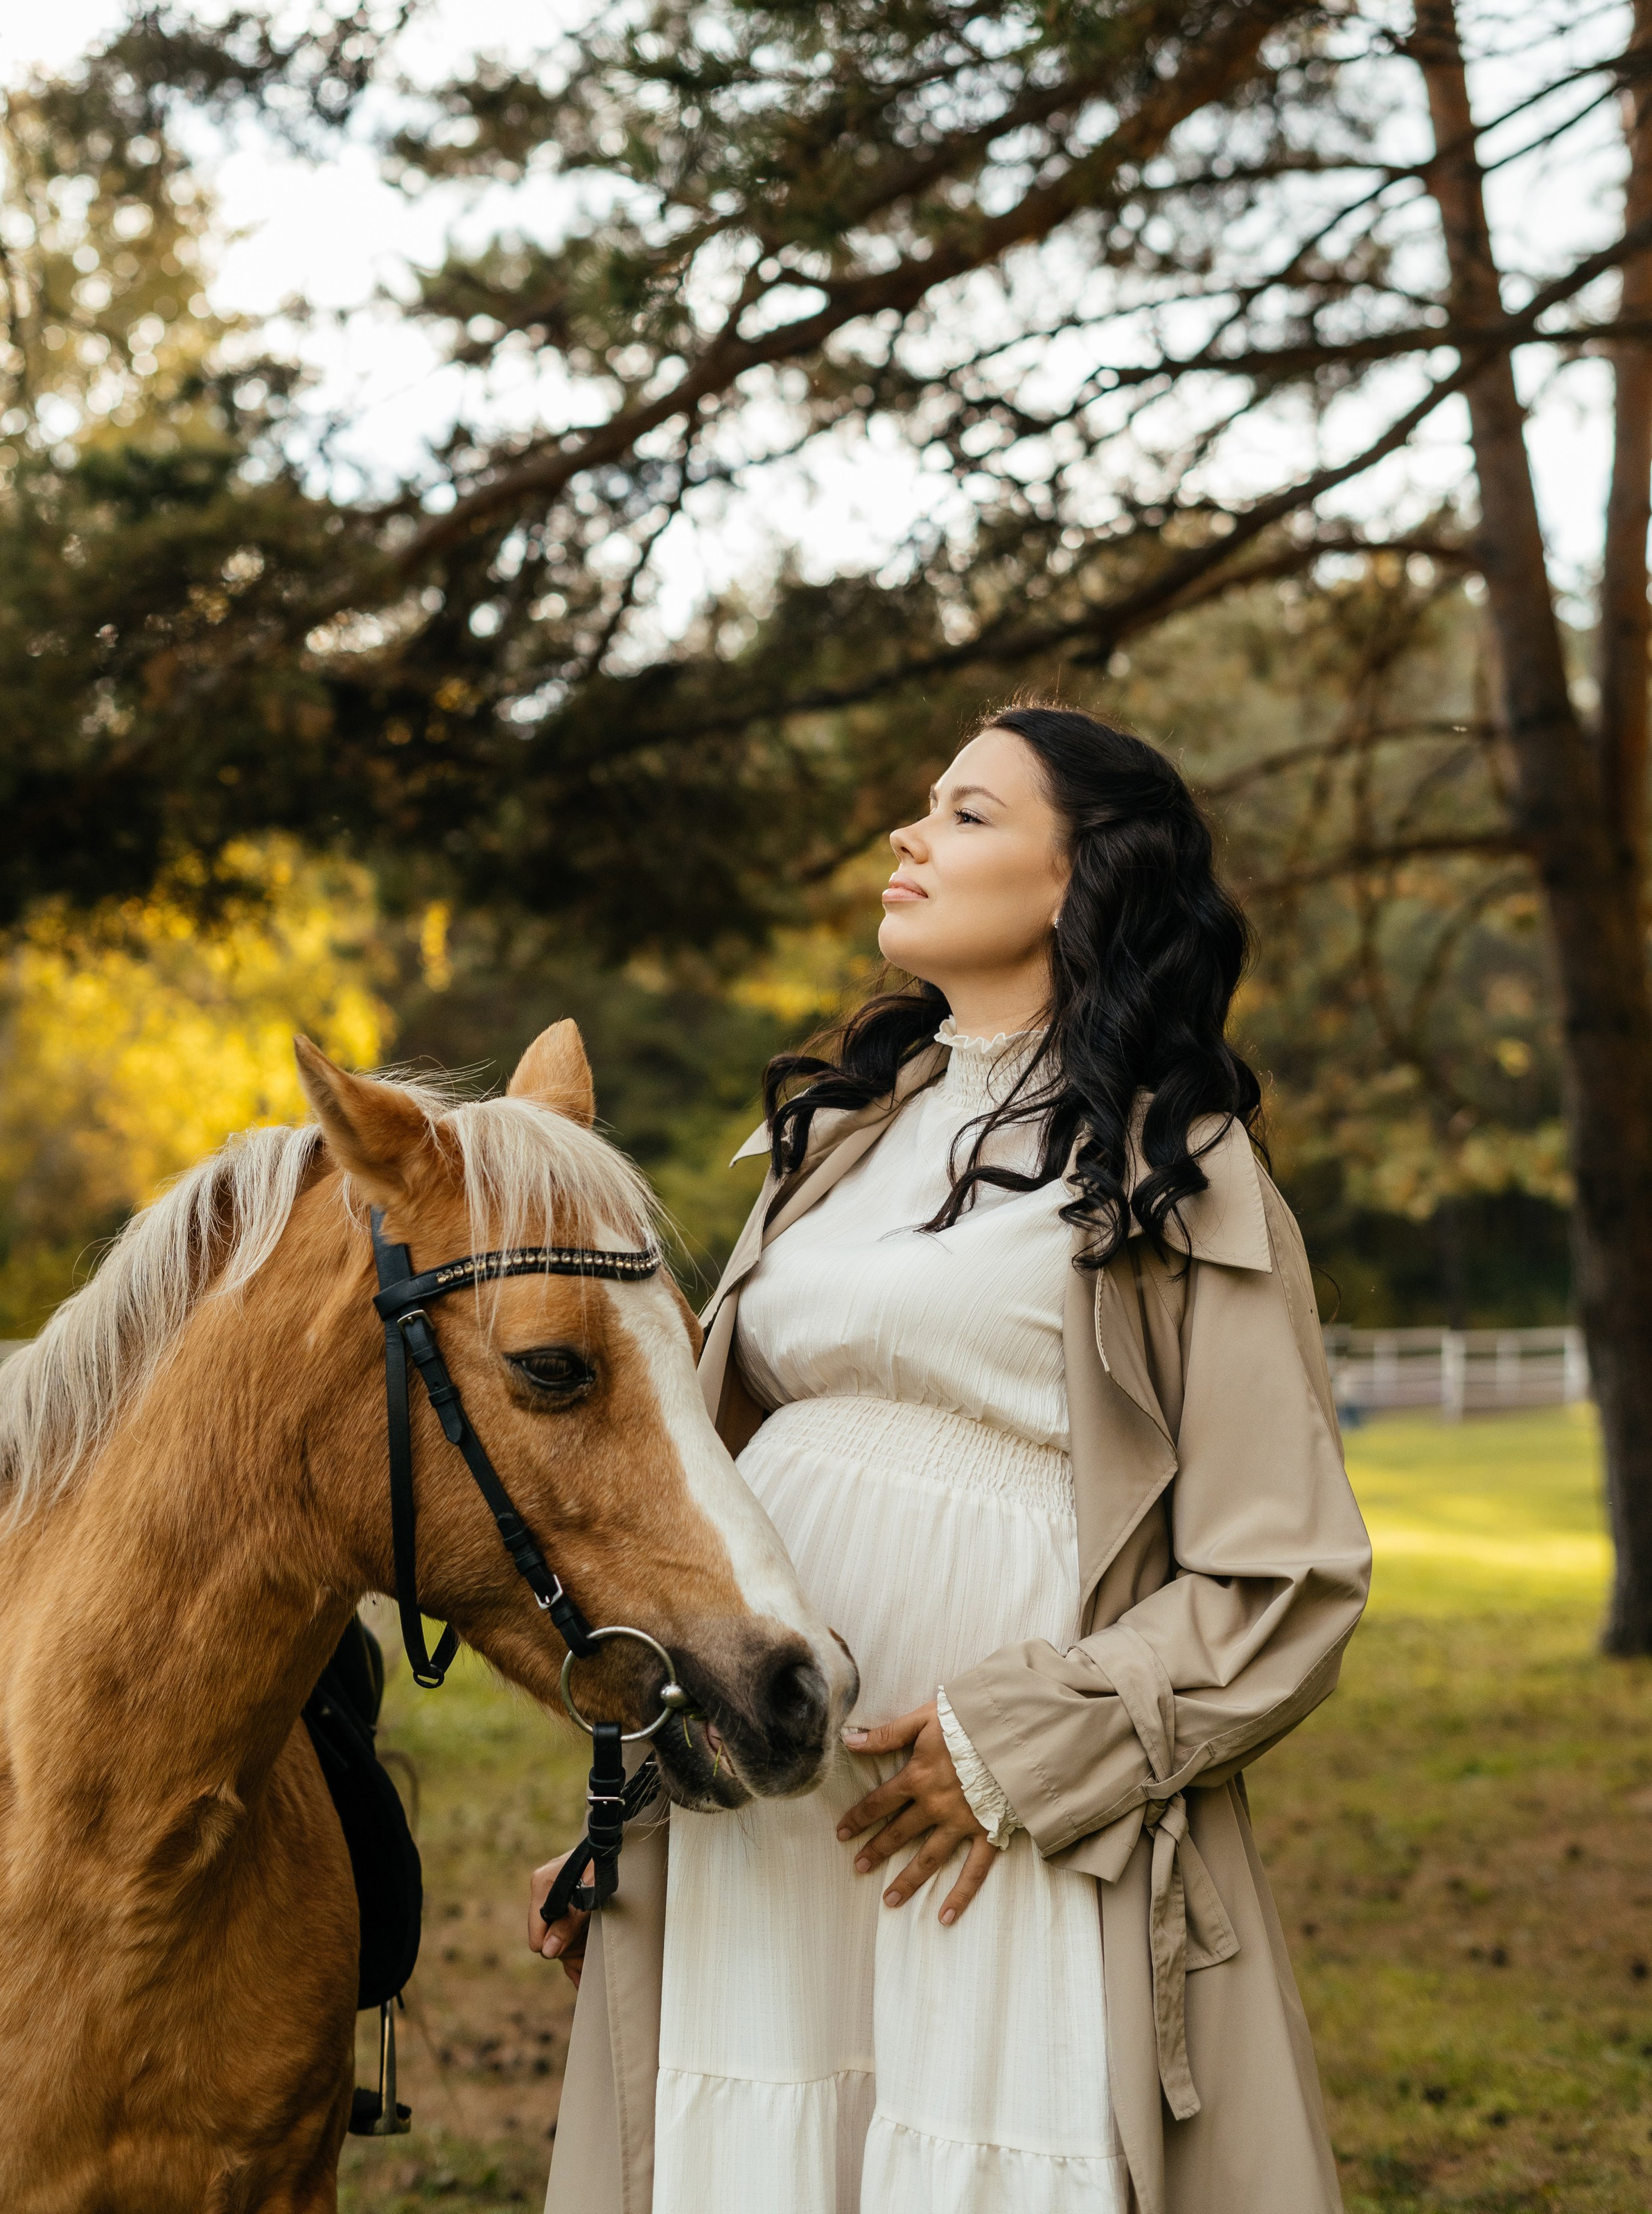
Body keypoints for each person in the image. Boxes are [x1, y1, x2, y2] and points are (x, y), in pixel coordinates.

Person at [530, 702, 1371, 2214]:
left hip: (997, 1812)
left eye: (968, 813)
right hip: (778, 1794)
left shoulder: (1174, 1168)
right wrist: (635, 1805)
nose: (909, 836)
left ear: (1078, 879)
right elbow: (707, 1507)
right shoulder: (834, 1139)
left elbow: (1286, 1574)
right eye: (926, 806)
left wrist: (1009, 1751)